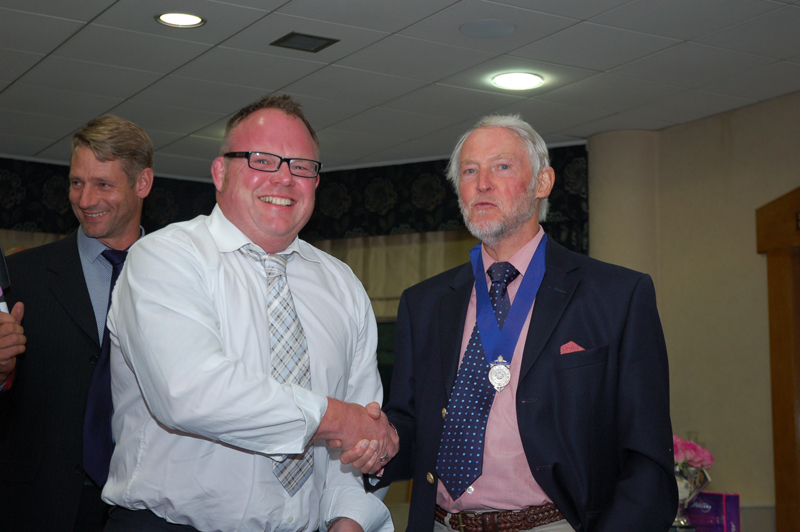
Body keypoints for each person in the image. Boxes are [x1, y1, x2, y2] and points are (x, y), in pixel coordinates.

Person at [360, 114, 678, 531]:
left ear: (542, 182)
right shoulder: (424, 304)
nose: (482, 183)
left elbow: (647, 459)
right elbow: (412, 428)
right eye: (469, 171)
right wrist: (380, 443)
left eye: (502, 166)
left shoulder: (616, 295)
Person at [102, 94, 397, 532]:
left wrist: (349, 520)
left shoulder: (342, 285)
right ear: (220, 173)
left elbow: (360, 439)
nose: (284, 178)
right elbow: (190, 392)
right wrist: (335, 418)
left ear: (316, 182)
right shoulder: (164, 258)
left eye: (301, 166)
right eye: (262, 160)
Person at [0, 115, 155, 532]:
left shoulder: (182, 280)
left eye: (103, 184)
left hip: (148, 506)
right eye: (76, 182)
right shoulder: (21, 278)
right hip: (38, 506)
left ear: (142, 183)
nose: (85, 199)